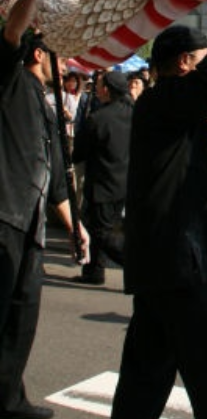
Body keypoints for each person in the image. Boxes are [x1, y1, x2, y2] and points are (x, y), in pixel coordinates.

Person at [102, 0, 207, 419]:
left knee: (144, 380)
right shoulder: (164, 98)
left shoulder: (168, 113)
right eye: (198, 59)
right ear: (184, 63)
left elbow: (192, 180)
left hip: (165, 264)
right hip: (182, 268)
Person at [0, 0, 89, 419]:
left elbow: (56, 180)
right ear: (39, 54)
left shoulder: (49, 106)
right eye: (58, 55)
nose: (67, 65)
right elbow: (11, 33)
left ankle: (7, 395)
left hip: (31, 223)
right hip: (3, 213)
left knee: (23, 314)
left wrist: (76, 226)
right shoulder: (10, 79)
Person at [72, 70, 133, 285]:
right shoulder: (133, 114)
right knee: (101, 227)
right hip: (124, 183)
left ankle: (135, 265)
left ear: (106, 89)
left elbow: (79, 152)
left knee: (101, 232)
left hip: (101, 183)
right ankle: (94, 271)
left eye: (98, 85)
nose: (95, 89)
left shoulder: (98, 118)